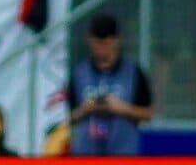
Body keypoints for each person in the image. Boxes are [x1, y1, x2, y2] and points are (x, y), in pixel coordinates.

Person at [65, 14, 154, 156]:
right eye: (97, 43)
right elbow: (67, 117)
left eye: (106, 43)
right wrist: (86, 109)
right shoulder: (79, 74)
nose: (102, 49)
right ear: (90, 41)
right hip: (86, 155)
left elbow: (148, 114)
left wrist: (121, 108)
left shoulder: (133, 73)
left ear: (116, 41)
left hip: (123, 154)